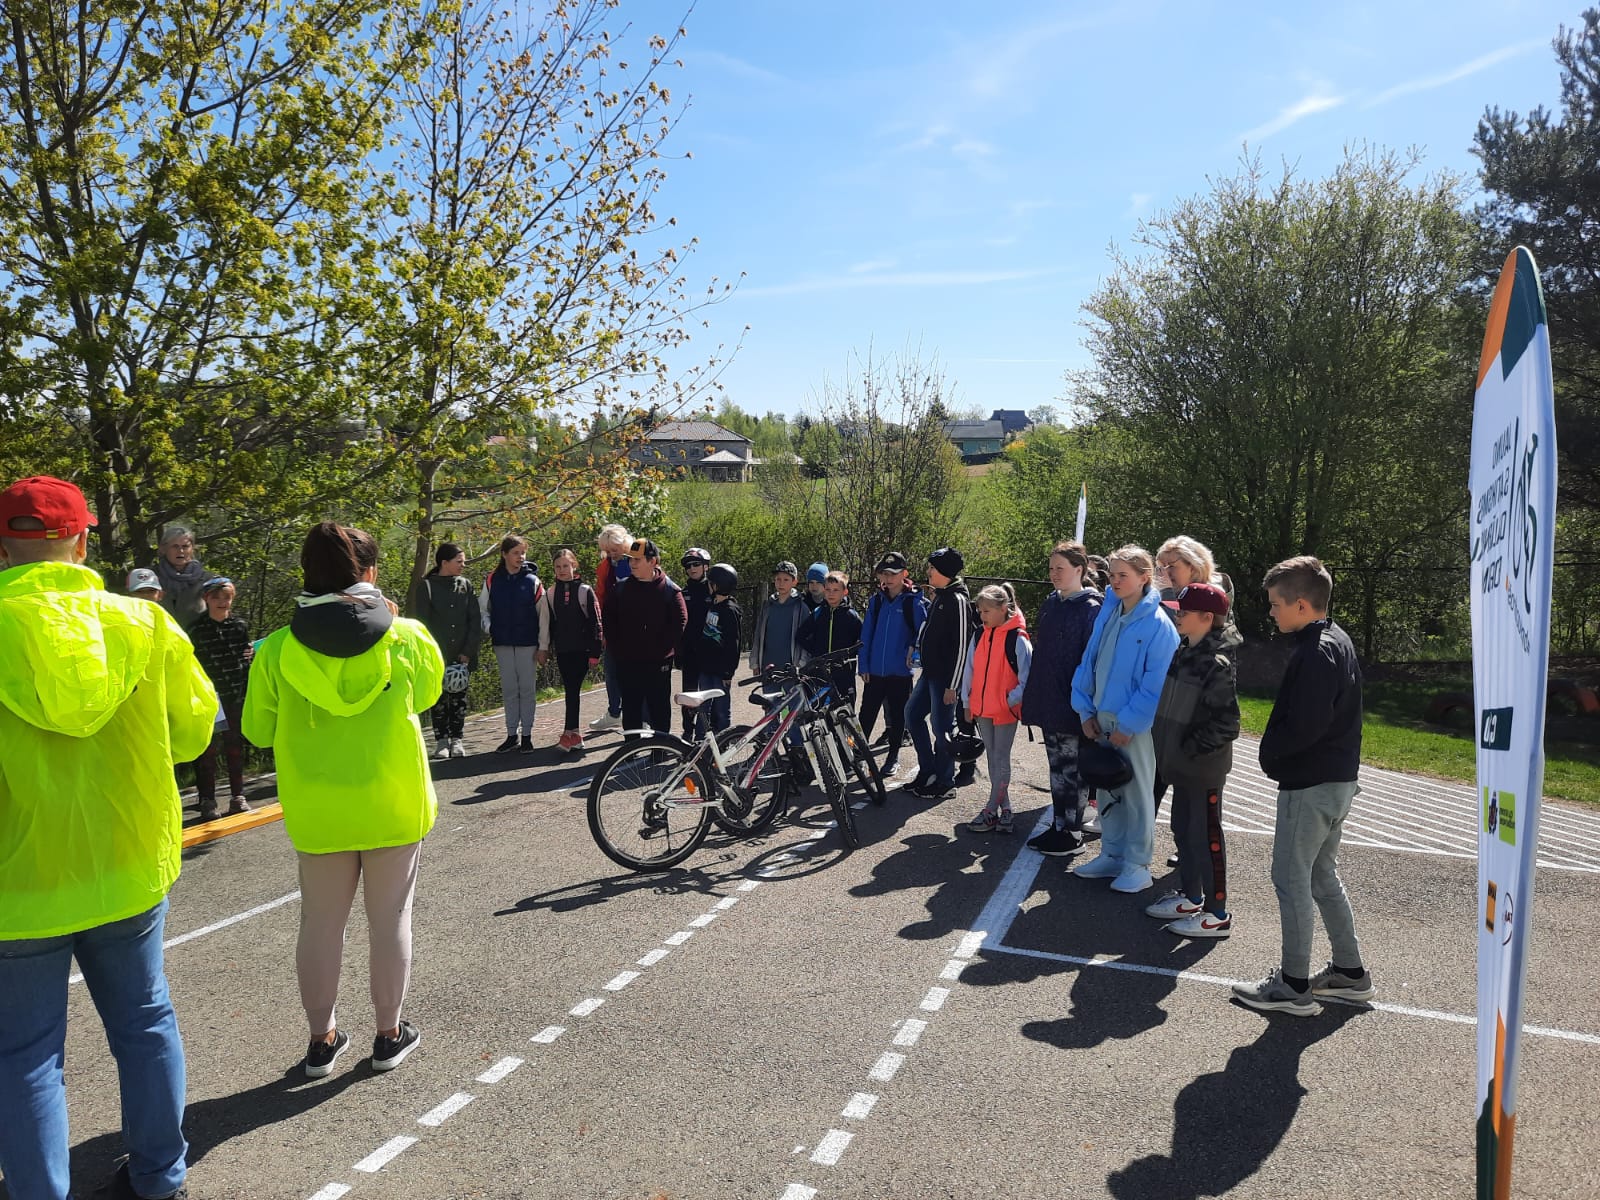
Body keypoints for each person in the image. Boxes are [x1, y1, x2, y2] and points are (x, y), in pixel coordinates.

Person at [0, 476, 215, 1200]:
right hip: (128, 861)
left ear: (2, 547)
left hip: (17, 883)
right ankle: (160, 1176)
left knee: (24, 1055)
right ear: (83, 542)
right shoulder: (144, 624)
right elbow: (192, 732)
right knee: (145, 1020)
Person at [242, 521, 444, 1078]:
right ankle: (388, 1035)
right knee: (391, 920)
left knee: (320, 925)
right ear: (370, 573)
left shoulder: (276, 649)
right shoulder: (407, 636)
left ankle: (321, 1040)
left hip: (318, 808)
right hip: (393, 799)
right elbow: (427, 696)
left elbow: (257, 731)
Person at [1232, 556, 1373, 1015]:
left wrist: (1272, 756)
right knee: (1320, 876)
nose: (1271, 612)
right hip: (1336, 781)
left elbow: (1307, 724)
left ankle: (1293, 985)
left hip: (1311, 785)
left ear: (1300, 604)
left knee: (1291, 879)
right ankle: (1350, 972)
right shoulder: (1337, 639)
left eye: (1276, 604)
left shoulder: (1316, 652)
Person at [1069, 545, 1180, 895]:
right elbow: (1089, 662)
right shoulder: (1109, 614)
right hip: (1101, 719)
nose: (1115, 581)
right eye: (1112, 575)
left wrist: (1129, 725)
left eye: (1123, 575)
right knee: (1107, 791)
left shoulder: (1158, 624)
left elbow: (1155, 683)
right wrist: (1085, 710)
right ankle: (1112, 854)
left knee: (1137, 795)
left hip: (1136, 728)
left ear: (1145, 578)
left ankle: (1137, 865)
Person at [1147, 582, 1241, 938]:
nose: (1178, 616)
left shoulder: (1216, 663)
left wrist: (1189, 748)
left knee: (1206, 838)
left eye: (1184, 612)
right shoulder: (1184, 650)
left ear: (1206, 617)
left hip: (1202, 770)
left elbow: (1227, 724)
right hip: (1180, 766)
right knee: (1184, 831)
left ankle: (1217, 913)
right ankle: (1191, 896)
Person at [1021, 541, 1103, 855]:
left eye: (1061, 568)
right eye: (1051, 568)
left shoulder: (1091, 609)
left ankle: (1072, 832)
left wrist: (1087, 708)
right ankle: (1059, 826)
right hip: (1049, 700)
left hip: (1073, 705)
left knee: (1073, 771)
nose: (1054, 574)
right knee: (1057, 769)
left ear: (1079, 570)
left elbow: (1092, 662)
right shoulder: (1051, 603)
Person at [959, 583, 1031, 833]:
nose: (982, 616)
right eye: (980, 611)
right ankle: (1005, 809)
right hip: (981, 708)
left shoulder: (1017, 638)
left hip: (1004, 711)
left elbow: (1027, 678)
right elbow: (969, 669)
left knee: (1000, 757)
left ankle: (991, 809)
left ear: (1003, 608)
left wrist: (1007, 701)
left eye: (987, 611)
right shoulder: (979, 634)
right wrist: (967, 702)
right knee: (992, 756)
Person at [601, 538, 687, 735]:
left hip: (659, 664)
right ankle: (631, 749)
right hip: (628, 662)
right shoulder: (620, 589)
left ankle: (661, 749)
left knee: (659, 711)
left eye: (637, 560)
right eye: (630, 559)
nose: (632, 564)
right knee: (631, 710)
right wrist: (619, 650)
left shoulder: (670, 590)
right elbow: (609, 620)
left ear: (652, 561)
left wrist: (661, 650)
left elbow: (680, 622)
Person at [904, 547, 971, 800]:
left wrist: (953, 685)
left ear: (944, 571)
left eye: (932, 568)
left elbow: (962, 645)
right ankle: (928, 770)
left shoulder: (958, 600)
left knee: (942, 728)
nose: (929, 571)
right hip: (929, 673)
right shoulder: (940, 596)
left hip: (945, 678)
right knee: (912, 715)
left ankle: (945, 781)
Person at [187, 577, 255, 819]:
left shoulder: (239, 626)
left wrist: (251, 658)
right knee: (207, 751)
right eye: (216, 597)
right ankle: (207, 800)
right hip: (208, 698)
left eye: (226, 597)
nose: (222, 602)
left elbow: (245, 658)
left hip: (234, 695)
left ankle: (238, 796)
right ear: (206, 599)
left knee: (234, 747)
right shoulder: (195, 630)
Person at [857, 551, 926, 777]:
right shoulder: (876, 602)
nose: (888, 578)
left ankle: (893, 756)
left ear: (904, 574)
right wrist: (863, 665)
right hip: (874, 672)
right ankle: (858, 756)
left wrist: (913, 648)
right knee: (865, 717)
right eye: (884, 573)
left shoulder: (914, 602)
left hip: (900, 673)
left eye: (893, 574)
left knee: (898, 718)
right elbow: (866, 636)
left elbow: (922, 633)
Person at [410, 543, 481, 759]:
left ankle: (457, 739)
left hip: (461, 654)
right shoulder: (427, 587)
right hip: (436, 654)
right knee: (438, 699)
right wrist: (429, 653)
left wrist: (468, 651)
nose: (463, 565)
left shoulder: (465, 585)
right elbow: (421, 623)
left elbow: (474, 620)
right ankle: (441, 740)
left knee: (459, 698)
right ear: (444, 563)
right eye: (459, 561)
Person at [536, 547, 603, 752]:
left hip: (582, 650)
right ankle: (573, 735)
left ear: (574, 566)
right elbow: (547, 624)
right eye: (558, 567)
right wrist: (545, 648)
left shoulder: (584, 591)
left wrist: (595, 652)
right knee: (570, 690)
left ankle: (569, 733)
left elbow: (596, 622)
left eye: (566, 565)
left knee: (572, 690)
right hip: (563, 650)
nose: (562, 570)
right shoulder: (550, 593)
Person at [481, 534, 543, 753]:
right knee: (509, 690)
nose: (520, 557)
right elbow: (483, 610)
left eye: (523, 553)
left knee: (527, 690)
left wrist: (543, 645)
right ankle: (511, 735)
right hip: (503, 643)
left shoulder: (533, 581)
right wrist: (490, 628)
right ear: (504, 554)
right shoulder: (491, 580)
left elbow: (543, 616)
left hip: (528, 643)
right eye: (516, 553)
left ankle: (527, 735)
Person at [589, 523, 632, 732]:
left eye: (615, 549)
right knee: (611, 671)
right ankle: (614, 713)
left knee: (633, 674)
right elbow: (600, 595)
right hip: (612, 626)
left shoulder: (634, 562)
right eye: (607, 550)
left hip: (633, 628)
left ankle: (640, 717)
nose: (611, 554)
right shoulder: (605, 566)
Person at [797, 569, 863, 704]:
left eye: (835, 590)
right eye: (828, 589)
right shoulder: (818, 613)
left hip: (844, 673)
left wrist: (849, 656)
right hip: (819, 672)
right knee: (818, 708)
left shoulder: (852, 616)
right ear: (824, 590)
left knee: (845, 708)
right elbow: (800, 635)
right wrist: (816, 652)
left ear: (845, 592)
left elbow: (862, 642)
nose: (831, 593)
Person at [694, 563, 743, 735]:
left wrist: (728, 672)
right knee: (703, 706)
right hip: (706, 666)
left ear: (717, 585)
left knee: (721, 708)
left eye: (710, 583)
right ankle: (700, 739)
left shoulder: (730, 610)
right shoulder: (712, 604)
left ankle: (724, 739)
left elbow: (733, 643)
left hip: (721, 670)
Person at [749, 559, 809, 676]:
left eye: (786, 580)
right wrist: (755, 662)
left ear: (794, 582)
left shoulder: (801, 607)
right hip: (768, 667)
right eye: (778, 579)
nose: (781, 583)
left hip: (791, 669)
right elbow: (758, 635)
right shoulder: (768, 606)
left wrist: (802, 664)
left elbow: (806, 638)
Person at [676, 548, 713, 737]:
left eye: (696, 564)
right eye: (688, 566)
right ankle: (687, 730)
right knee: (689, 695)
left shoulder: (714, 591)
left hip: (709, 653)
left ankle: (707, 732)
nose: (692, 568)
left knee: (710, 694)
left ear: (706, 566)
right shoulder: (682, 593)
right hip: (689, 653)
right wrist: (678, 651)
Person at [152, 525, 208, 630]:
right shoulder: (150, 578)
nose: (180, 551)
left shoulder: (207, 579)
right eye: (175, 546)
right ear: (163, 549)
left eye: (185, 546)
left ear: (192, 549)